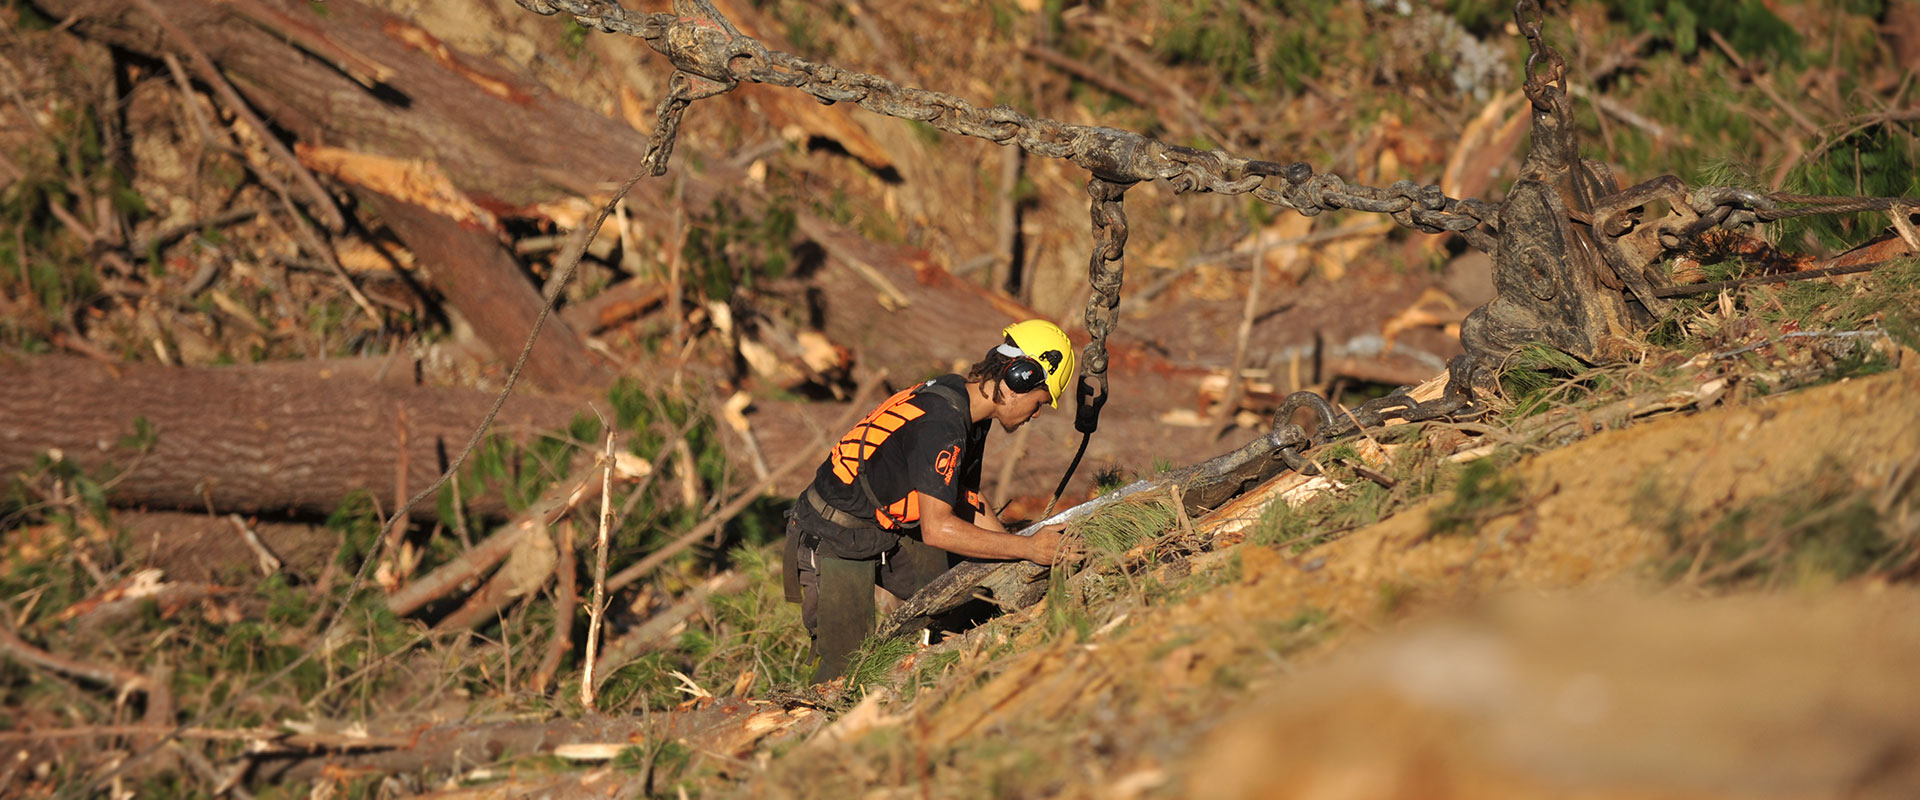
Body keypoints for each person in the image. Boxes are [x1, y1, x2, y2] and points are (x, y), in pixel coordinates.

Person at [782, 320, 1082, 682]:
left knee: (972, 602)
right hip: (831, 535)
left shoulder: (970, 408)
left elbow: (966, 495)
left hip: (882, 528)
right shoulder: (943, 424)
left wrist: (1015, 555)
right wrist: (1027, 548)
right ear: (1020, 378)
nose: (1036, 413)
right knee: (844, 675)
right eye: (1040, 402)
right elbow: (938, 528)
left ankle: (935, 674)